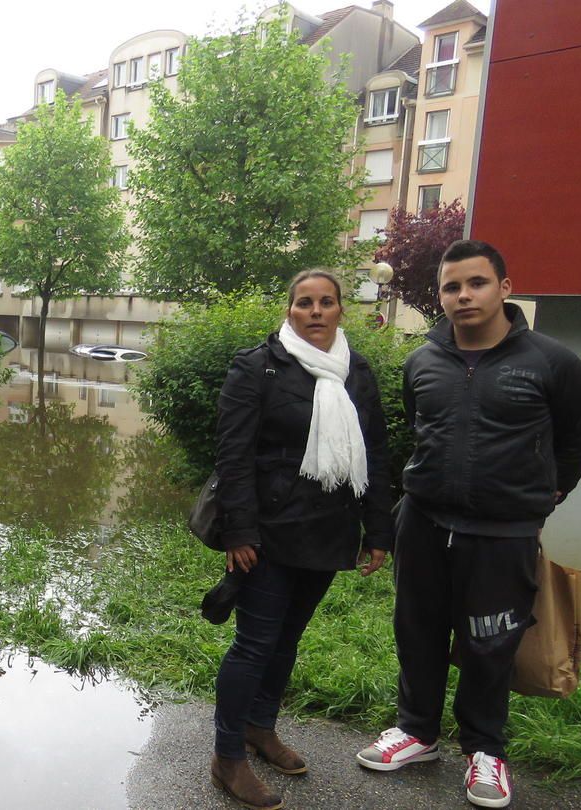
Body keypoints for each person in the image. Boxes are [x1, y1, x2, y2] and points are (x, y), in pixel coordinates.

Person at [356, 240, 581, 809]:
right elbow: (420, 427)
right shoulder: (422, 361)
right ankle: (417, 732)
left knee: (490, 641)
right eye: (451, 287)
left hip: (503, 531)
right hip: (423, 519)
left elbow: (574, 444)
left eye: (476, 283)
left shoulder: (553, 362)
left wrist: (536, 501)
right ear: (439, 296)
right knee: (416, 631)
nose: (463, 296)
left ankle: (485, 750)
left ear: (505, 288)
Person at [212, 270, 394, 810]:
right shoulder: (257, 367)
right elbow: (233, 454)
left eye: (327, 302)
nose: (315, 311)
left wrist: (378, 529)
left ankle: (259, 729)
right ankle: (227, 756)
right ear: (289, 311)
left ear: (341, 310)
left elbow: (375, 454)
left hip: (328, 531)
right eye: (304, 302)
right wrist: (238, 529)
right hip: (267, 534)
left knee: (288, 638)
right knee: (255, 644)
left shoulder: (355, 371)